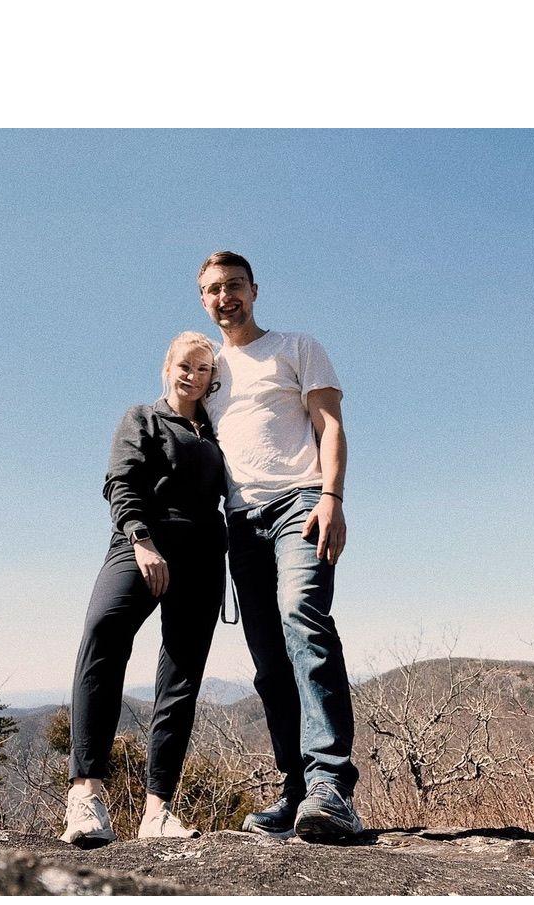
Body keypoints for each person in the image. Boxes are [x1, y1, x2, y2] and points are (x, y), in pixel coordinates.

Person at [198, 251, 362, 843]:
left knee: (303, 619)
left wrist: (332, 497)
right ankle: (296, 790)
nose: (226, 298)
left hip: (300, 503)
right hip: (240, 522)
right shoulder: (208, 368)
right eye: (214, 290)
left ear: (254, 290)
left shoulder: (296, 346)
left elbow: (330, 425)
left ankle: (331, 786)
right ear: (203, 300)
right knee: (269, 659)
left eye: (234, 286)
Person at [61, 332, 226, 847]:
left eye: (203, 369)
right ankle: (86, 795)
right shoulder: (143, 418)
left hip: (202, 559)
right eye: (184, 366)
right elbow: (120, 481)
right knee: (103, 634)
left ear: (212, 379)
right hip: (142, 544)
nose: (192, 376)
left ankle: (158, 810)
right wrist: (140, 538)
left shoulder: (217, 432)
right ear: (167, 367)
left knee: (181, 676)